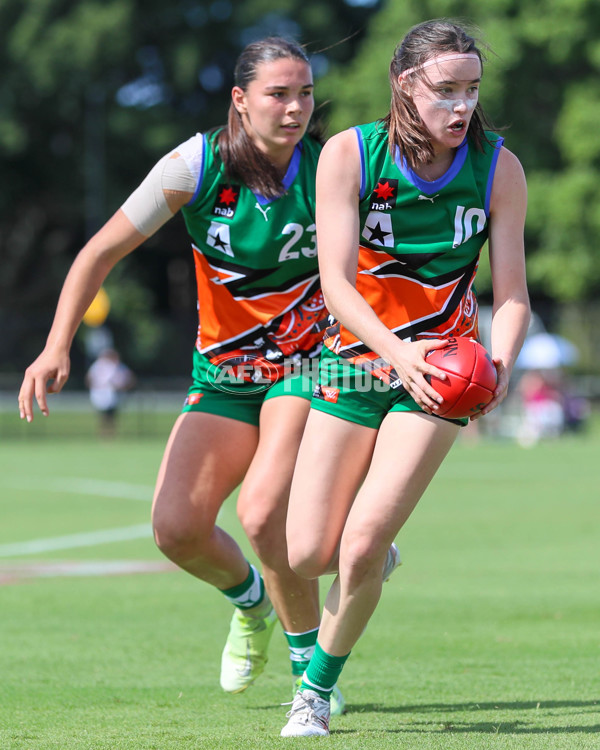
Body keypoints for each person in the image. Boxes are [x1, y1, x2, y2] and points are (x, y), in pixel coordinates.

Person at [18, 37, 355, 711]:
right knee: (176, 529)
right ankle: (252, 605)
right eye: (278, 94)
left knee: (263, 513)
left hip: (307, 365)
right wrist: (56, 346)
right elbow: (98, 253)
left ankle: (309, 676)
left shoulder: (333, 167)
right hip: (225, 375)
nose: (295, 109)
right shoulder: (194, 165)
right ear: (240, 100)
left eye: (305, 94)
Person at [280, 19, 531, 737]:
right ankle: (376, 551)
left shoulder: (496, 167)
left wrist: (500, 363)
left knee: (355, 547)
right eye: (445, 90)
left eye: (471, 90)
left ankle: (316, 694)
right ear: (403, 83)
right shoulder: (349, 155)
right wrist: (398, 355)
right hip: (358, 362)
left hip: (443, 374)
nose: (461, 107)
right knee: (305, 553)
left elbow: (510, 293)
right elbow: (335, 285)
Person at [85, 348, 136, 438]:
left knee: (111, 416)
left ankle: (110, 434)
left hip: (113, 395)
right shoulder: (98, 366)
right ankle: (103, 434)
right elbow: (89, 378)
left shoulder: (117, 366)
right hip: (100, 395)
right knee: (103, 416)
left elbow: (129, 378)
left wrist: (121, 387)